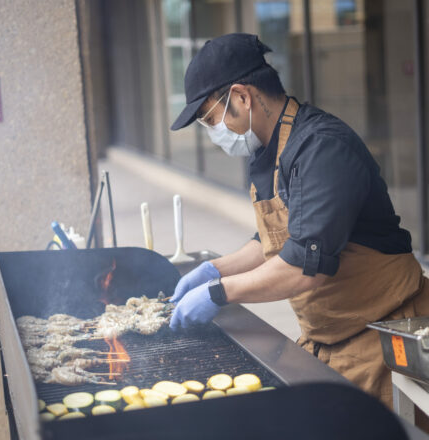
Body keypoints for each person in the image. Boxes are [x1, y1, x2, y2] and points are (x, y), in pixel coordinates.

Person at [168, 33, 429, 407]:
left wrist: (221, 292)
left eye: (211, 118)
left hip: (382, 338)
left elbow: (304, 267)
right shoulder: (267, 152)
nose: (213, 133)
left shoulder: (322, 148)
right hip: (328, 338)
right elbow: (273, 240)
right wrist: (213, 269)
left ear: (242, 97)